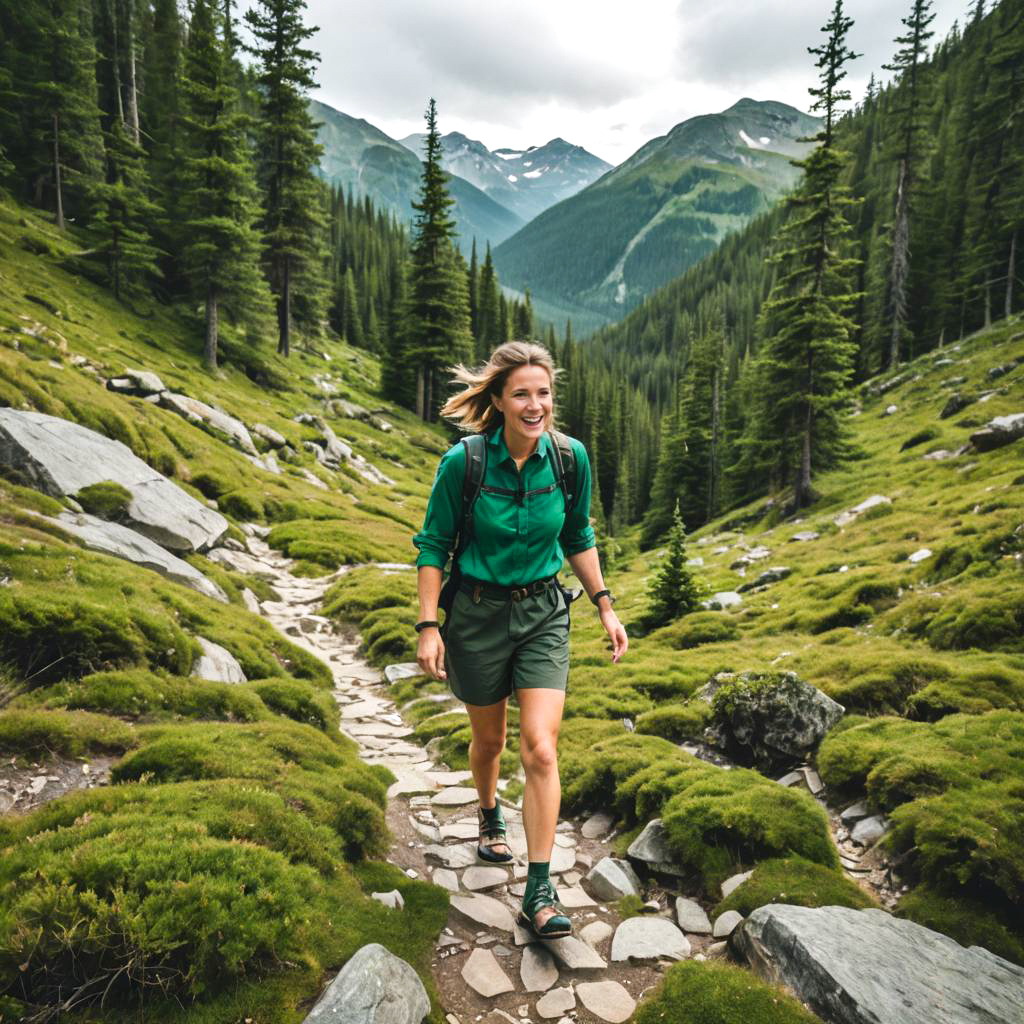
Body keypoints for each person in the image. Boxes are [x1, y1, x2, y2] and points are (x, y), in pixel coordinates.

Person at [412, 340, 628, 940]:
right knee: (491, 740)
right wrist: (429, 625)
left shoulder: (569, 459)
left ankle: (539, 889)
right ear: (500, 401)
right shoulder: (465, 464)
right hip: (476, 617)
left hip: (542, 613)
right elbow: (433, 546)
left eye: (544, 393)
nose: (536, 405)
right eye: (522, 395)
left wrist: (604, 606)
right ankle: (487, 816)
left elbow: (578, 533)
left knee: (540, 748)